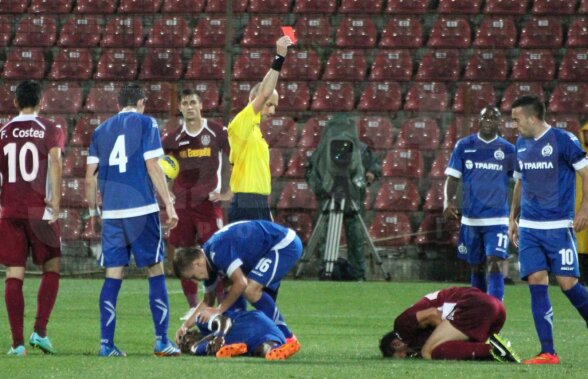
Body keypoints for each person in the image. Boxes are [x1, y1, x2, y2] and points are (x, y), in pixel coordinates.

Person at [85, 83, 180, 357]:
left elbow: (90, 178)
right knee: (155, 270)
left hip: (112, 213)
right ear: (140, 102)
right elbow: (153, 165)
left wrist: (94, 214)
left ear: (118, 105)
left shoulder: (100, 130)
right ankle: (162, 341)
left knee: (113, 274)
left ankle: (106, 345)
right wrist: (169, 205)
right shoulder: (146, 123)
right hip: (141, 210)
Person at [508, 95, 588, 365]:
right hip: (530, 228)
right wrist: (512, 217)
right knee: (536, 282)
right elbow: (519, 182)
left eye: (517, 119)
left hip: (558, 226)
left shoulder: (564, 141)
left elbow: (586, 173)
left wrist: (585, 209)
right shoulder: (520, 144)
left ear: (532, 117)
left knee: (568, 284)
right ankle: (548, 352)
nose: (514, 125)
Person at [0, 80, 65, 356]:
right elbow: (56, 160)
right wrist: (56, 201)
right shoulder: (49, 128)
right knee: (52, 267)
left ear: (15, 103)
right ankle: (39, 332)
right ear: (41, 102)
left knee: (14, 274)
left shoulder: (2, 132)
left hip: (10, 210)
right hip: (40, 209)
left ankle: (17, 345)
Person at [172, 220, 302, 356]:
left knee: (250, 290)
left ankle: (288, 337)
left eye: (193, 276)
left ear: (196, 263)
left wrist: (219, 309)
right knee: (229, 287)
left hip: (284, 245)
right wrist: (185, 326)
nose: (195, 281)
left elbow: (242, 283)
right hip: (264, 252)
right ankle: (240, 337)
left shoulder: (217, 250)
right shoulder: (209, 261)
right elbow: (207, 301)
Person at [162, 88, 231, 308]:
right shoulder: (172, 138)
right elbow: (156, 166)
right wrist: (167, 192)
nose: (189, 106)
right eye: (185, 103)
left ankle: (221, 306)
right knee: (183, 257)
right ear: (180, 107)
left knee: (215, 255)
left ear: (201, 105)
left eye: (193, 102)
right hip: (182, 206)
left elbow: (236, 160)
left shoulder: (217, 132)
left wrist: (228, 192)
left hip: (208, 205)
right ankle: (193, 308)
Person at [444, 106, 516, 300]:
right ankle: (479, 310)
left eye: (493, 118)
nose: (488, 121)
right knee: (477, 266)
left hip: (497, 219)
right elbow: (452, 177)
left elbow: (520, 182)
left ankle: (494, 313)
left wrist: (515, 214)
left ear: (499, 123)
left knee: (495, 262)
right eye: (485, 117)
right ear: (479, 120)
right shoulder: (464, 145)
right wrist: (447, 201)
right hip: (471, 219)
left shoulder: (508, 150)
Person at [227, 36, 292, 223]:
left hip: (257, 201)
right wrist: (280, 57)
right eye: (269, 105)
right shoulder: (241, 123)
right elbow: (264, 92)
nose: (272, 110)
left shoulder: (255, 132)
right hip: (248, 201)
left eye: (275, 106)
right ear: (254, 100)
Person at [379, 286, 520, 362]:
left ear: (396, 344)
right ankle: (496, 352)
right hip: (495, 309)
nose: (407, 357)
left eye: (401, 356)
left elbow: (433, 314)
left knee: (428, 352)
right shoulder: (415, 338)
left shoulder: (402, 325)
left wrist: (444, 332)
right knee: (441, 349)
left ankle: (491, 350)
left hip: (474, 306)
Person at [307, 140, 381, 281]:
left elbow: (375, 166)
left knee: (356, 237)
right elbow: (311, 170)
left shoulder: (361, 148)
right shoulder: (323, 149)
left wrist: (371, 173)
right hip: (329, 196)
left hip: (353, 197)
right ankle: (326, 270)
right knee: (325, 235)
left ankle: (357, 273)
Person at [178, 307, 296, 360]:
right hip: (269, 334)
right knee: (261, 350)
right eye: (183, 346)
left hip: (248, 322)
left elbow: (224, 320)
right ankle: (278, 349)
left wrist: (219, 336)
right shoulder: (206, 345)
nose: (185, 343)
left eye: (184, 339)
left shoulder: (202, 319)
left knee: (198, 348)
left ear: (192, 332)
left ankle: (232, 348)